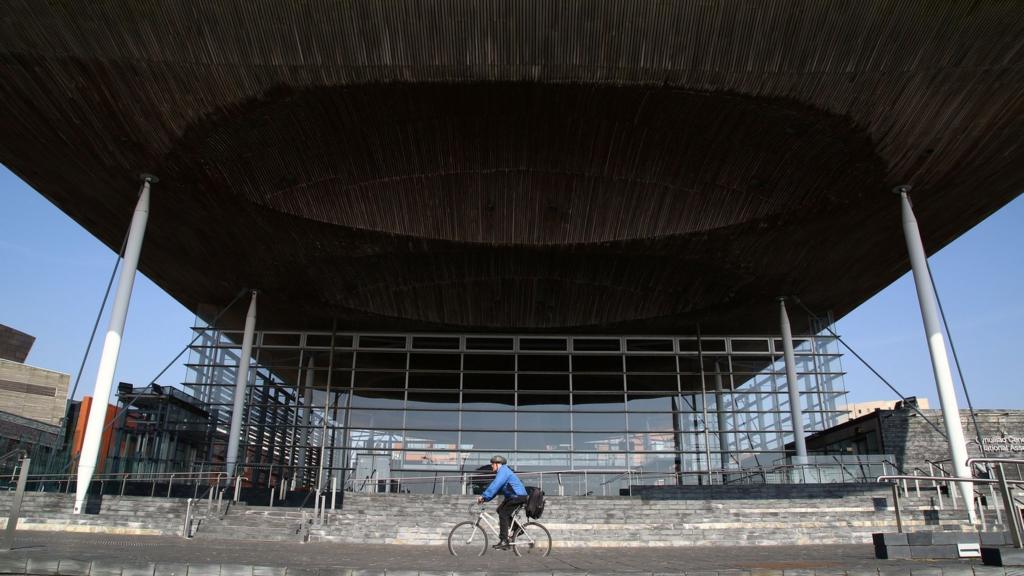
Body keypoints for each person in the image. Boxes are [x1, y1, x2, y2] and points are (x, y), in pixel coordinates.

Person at [476, 454, 527, 549]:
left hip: (518, 496)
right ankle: (518, 530)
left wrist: (483, 496)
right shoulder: (502, 472)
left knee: (503, 514)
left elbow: (495, 485)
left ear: (497, 464)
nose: (491, 466)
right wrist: (485, 498)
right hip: (513, 496)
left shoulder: (503, 471)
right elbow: (496, 489)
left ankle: (504, 541)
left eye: (492, 464)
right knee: (500, 510)